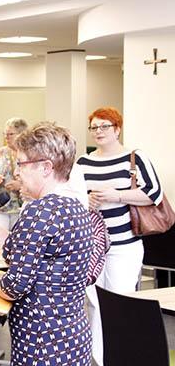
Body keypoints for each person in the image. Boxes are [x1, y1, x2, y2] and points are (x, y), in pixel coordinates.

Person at [0, 122, 93, 366]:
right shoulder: (75, 207)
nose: (17, 172)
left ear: (46, 168)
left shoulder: (40, 211)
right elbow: (28, 251)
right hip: (73, 335)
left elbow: (16, 284)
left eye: (22, 164)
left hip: (42, 340)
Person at [76, 107, 163, 366]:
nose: (98, 132)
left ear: (117, 129)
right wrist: (87, 200)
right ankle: (100, 359)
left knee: (120, 305)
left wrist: (118, 195)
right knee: (94, 305)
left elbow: (154, 193)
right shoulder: (83, 162)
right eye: (94, 128)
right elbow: (73, 196)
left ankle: (119, 358)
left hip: (124, 245)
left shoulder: (134, 158)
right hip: (92, 247)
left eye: (104, 126)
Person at [0, 117, 28, 245]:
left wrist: (20, 185)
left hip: (21, 208)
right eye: (5, 134)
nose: (6, 137)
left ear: (22, 134)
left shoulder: (30, 154)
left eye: (10, 134)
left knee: (18, 246)